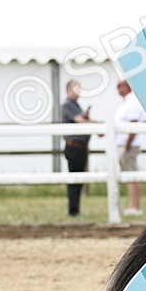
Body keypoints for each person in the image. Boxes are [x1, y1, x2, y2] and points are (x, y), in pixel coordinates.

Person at [60, 80, 92, 217]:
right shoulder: (68, 104)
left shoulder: (75, 105)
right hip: (74, 147)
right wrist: (94, 123)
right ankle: (73, 211)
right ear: (68, 90)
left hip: (79, 147)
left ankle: (75, 210)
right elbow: (80, 120)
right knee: (75, 179)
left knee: (78, 179)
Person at [115, 79, 146, 216]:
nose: (117, 89)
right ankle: (132, 205)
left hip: (129, 146)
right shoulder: (127, 102)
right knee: (129, 176)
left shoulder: (132, 102)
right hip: (125, 144)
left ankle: (135, 206)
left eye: (119, 86)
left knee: (132, 176)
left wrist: (127, 145)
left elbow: (133, 125)